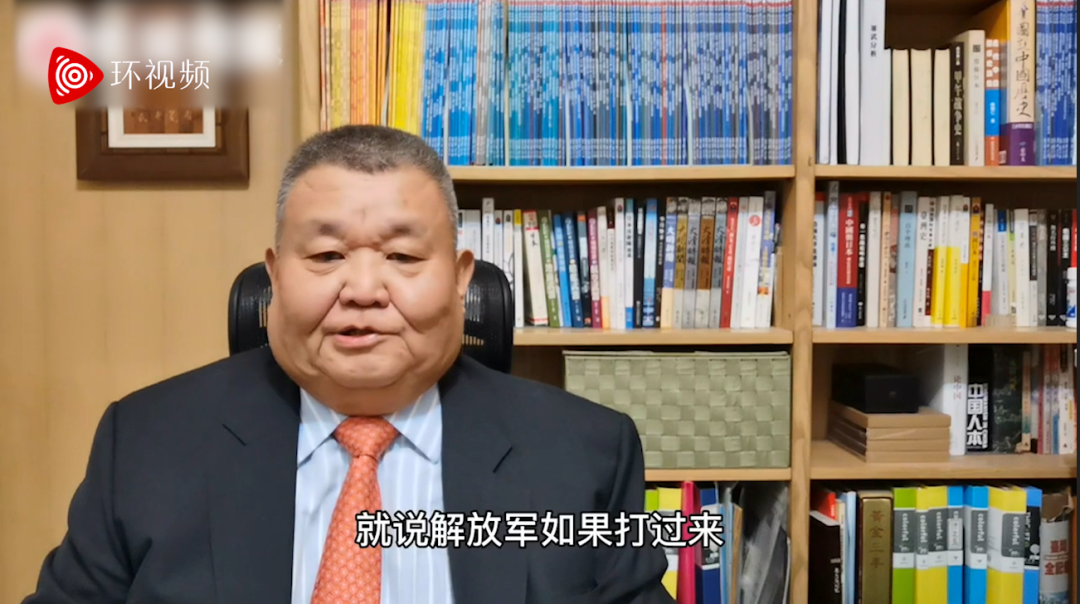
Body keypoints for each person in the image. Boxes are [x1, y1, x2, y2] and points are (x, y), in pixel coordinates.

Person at [23, 125, 674, 604]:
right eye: (327, 256)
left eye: (403, 257)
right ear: (274, 277)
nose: (363, 290)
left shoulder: (585, 452)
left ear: (460, 279)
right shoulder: (146, 443)